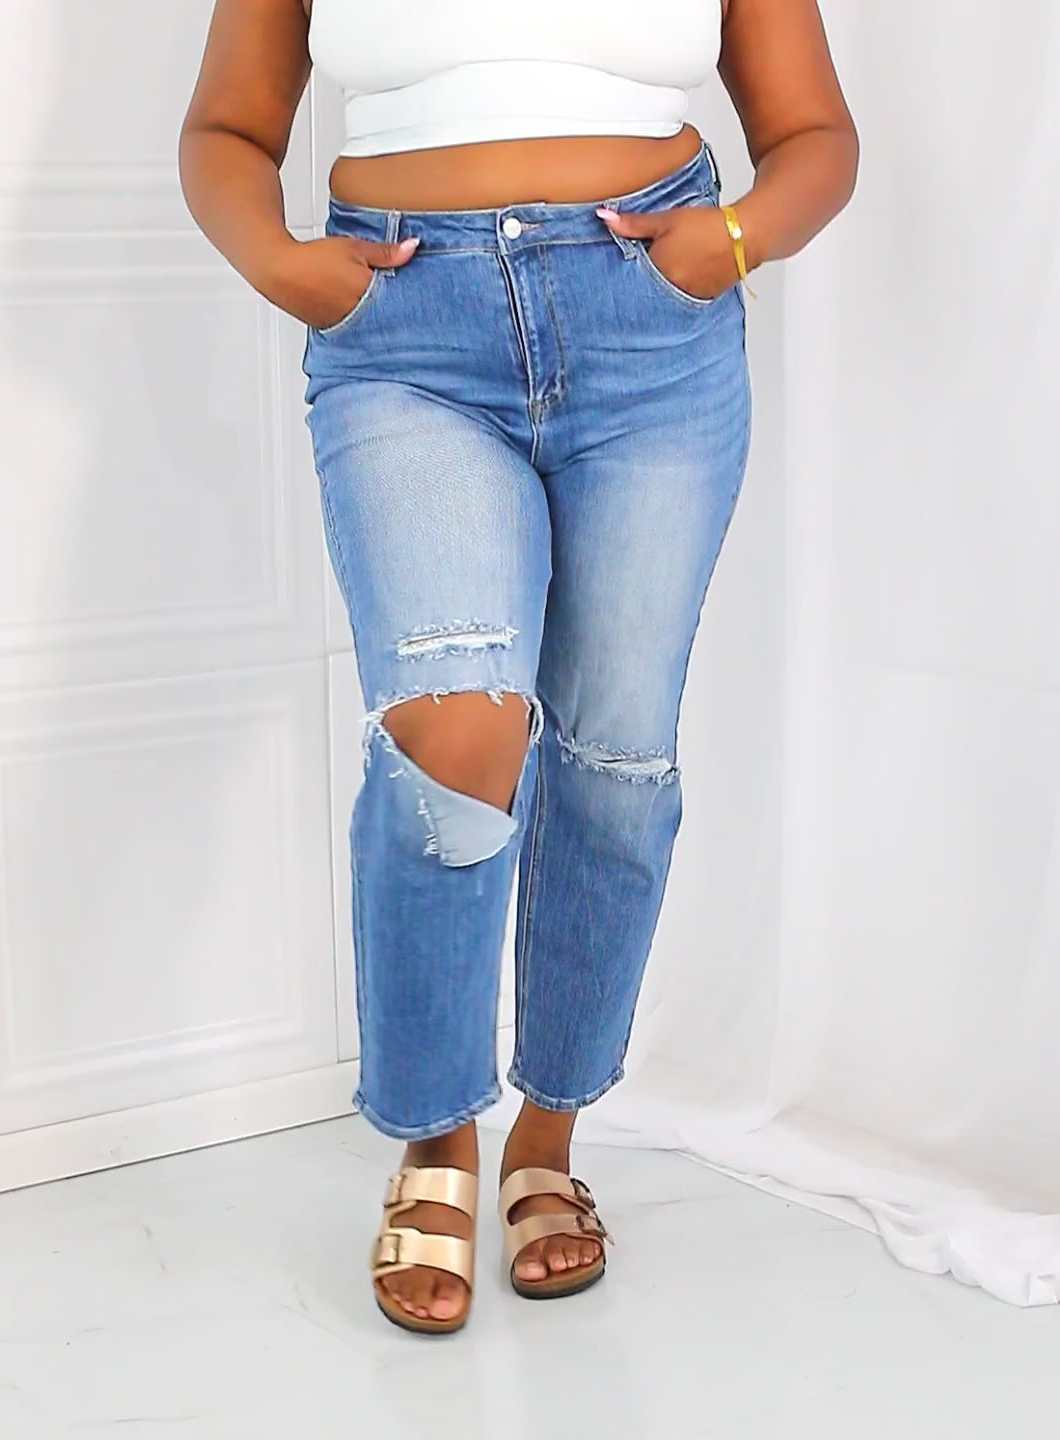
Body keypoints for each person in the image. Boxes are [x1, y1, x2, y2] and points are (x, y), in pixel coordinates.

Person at [179, 0, 858, 1335]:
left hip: (652, 335)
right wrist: (284, 267)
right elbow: (226, 128)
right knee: (456, 729)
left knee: (615, 757)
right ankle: (438, 1132)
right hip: (405, 335)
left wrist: (723, 246)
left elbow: (815, 136)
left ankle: (547, 1136)